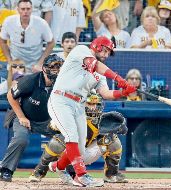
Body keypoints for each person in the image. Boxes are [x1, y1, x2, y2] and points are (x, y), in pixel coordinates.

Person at [46, 36, 136, 187]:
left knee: (79, 149)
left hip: (78, 105)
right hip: (61, 99)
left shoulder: (100, 74)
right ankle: (81, 176)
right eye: (105, 50)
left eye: (109, 52)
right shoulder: (82, 50)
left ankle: (58, 167)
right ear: (97, 46)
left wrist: (123, 92)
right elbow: (93, 64)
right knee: (71, 136)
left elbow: (106, 94)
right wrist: (118, 77)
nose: (106, 54)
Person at [29, 91, 128, 184]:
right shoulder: (70, 115)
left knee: (112, 140)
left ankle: (111, 174)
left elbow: (122, 130)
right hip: (68, 154)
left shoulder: (101, 120)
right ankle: (39, 171)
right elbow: (49, 129)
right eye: (89, 104)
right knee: (58, 141)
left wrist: (120, 127)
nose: (93, 108)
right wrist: (55, 124)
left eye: (95, 104)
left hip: (86, 153)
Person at [0, 54, 64, 182]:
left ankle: (69, 172)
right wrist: (21, 117)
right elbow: (10, 96)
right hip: (25, 116)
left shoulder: (63, 84)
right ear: (44, 68)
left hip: (48, 121)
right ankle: (5, 170)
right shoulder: (30, 80)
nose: (56, 70)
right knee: (21, 139)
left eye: (59, 67)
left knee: (67, 138)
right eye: (53, 67)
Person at [0, 0, 55, 72]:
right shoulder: (9, 21)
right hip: (16, 66)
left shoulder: (41, 23)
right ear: (18, 9)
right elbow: (2, 41)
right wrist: (9, 61)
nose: (25, 11)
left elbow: (51, 42)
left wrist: (40, 63)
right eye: (23, 9)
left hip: (34, 66)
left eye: (28, 9)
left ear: (32, 9)